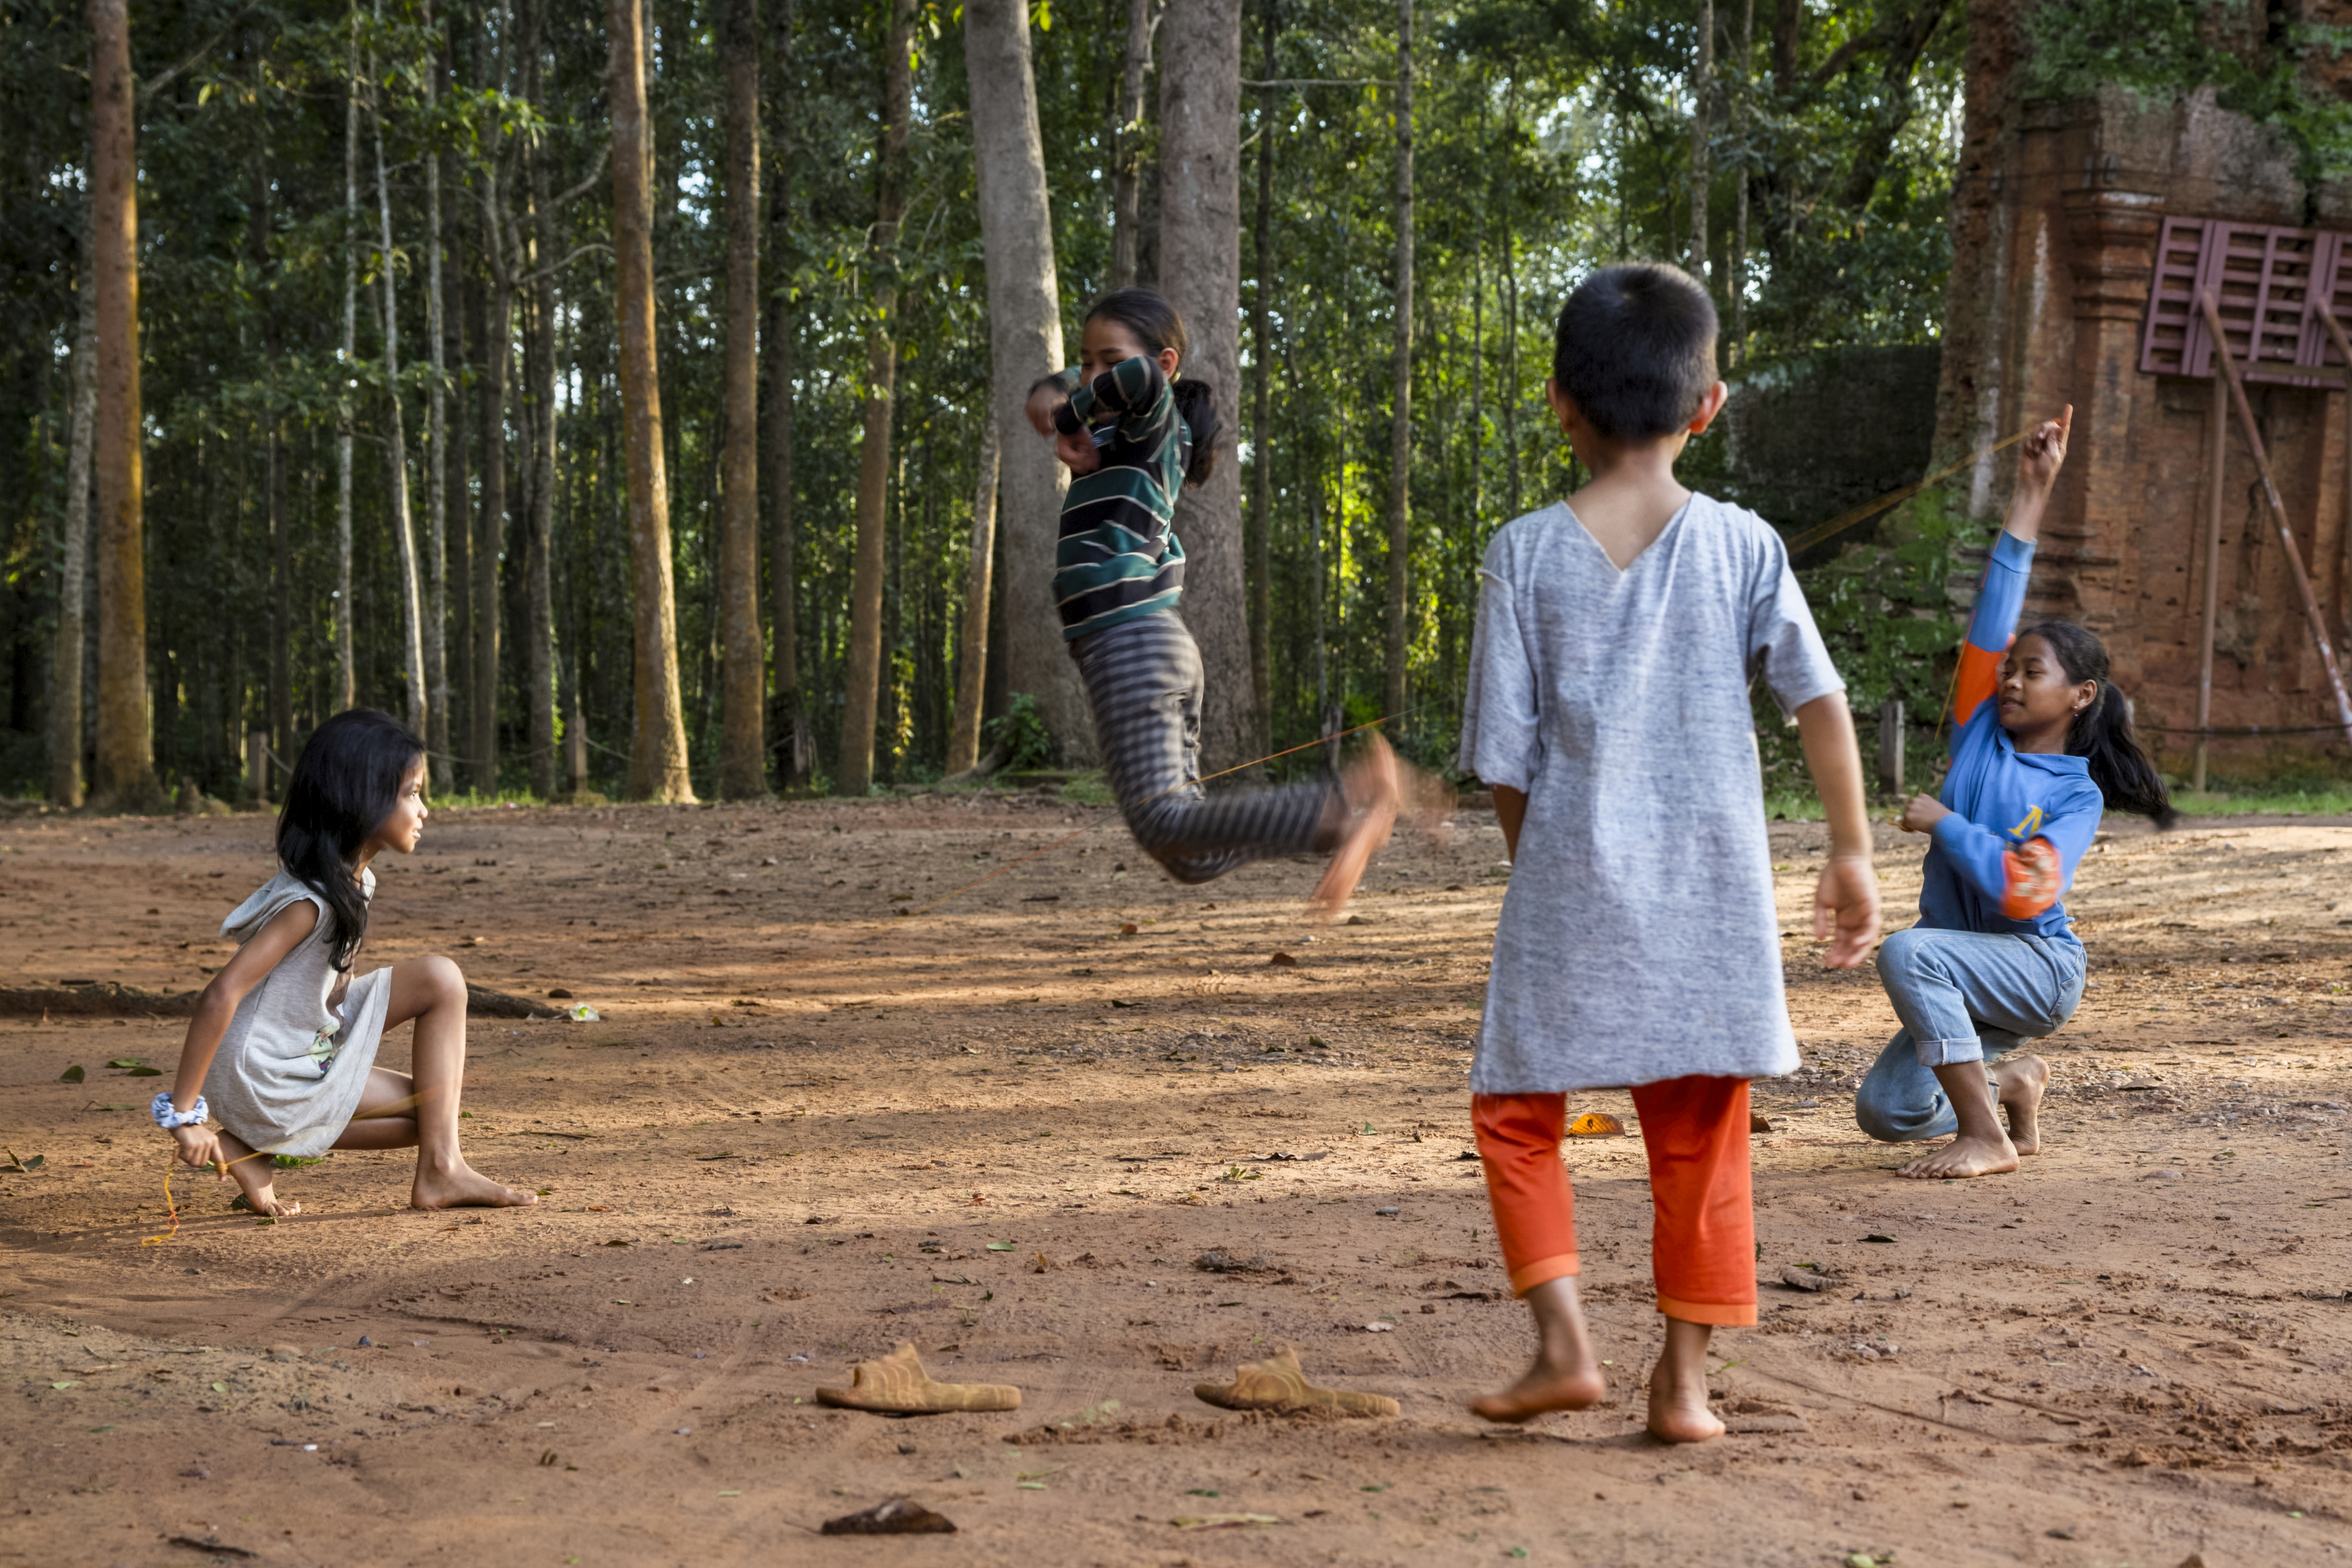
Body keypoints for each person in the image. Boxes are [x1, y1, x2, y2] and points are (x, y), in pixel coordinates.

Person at [1457, 263, 1880, 1443]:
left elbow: (1502, 756)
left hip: (1567, 886)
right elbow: (1818, 699)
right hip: (1714, 901)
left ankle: (1561, 1345)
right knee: (1699, 1132)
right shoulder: (1743, 545)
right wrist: (1847, 851)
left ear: (1559, 404)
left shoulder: (1522, 552)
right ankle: (1682, 1384)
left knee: (1513, 1110)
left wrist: (1534, 868)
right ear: (1709, 405)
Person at [1855, 406, 2172, 1179]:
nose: (2012, 678)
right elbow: (1994, 609)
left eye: (2035, 672)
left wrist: (1945, 823)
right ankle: (2011, 1084)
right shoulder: (1978, 733)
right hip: (1968, 965)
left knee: (1908, 949)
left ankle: (1985, 1139)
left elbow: (2027, 890)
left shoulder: (2076, 795)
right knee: (1886, 1110)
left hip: (2037, 967)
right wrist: (2033, 488)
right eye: (2011, 667)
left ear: (2081, 695)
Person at [1023, 287, 1411, 914]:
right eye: (1084, 361)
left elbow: (1140, 375)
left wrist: (1068, 414)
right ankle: (1342, 812)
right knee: (1190, 855)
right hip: (1144, 646)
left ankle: (1343, 810)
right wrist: (1056, 395)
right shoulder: (1117, 433)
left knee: (1163, 823)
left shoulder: (1153, 422)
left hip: (1130, 641)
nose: (1092, 376)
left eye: (1104, 360)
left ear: (1167, 363)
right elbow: (1068, 389)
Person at [153, 708, 536, 1216]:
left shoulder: (352, 883)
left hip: (296, 1039)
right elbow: (221, 994)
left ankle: (252, 1149)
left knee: (437, 1037)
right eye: (412, 793)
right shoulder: (310, 903)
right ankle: (440, 1170)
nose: (424, 810)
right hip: (263, 1068)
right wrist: (184, 1114)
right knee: (433, 1105)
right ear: (364, 796)